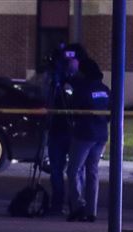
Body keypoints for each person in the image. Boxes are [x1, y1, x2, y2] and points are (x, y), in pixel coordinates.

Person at [65, 58, 110, 222]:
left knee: (73, 170)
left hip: (84, 135)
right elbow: (111, 113)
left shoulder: (83, 89)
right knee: (92, 172)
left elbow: (74, 109)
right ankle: (92, 211)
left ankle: (78, 206)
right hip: (101, 136)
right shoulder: (105, 90)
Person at [44, 44, 84, 215]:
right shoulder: (55, 81)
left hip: (74, 132)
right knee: (56, 169)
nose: (69, 63)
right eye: (66, 60)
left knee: (76, 170)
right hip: (56, 130)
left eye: (72, 60)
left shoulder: (80, 83)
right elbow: (48, 98)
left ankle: (76, 204)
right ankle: (57, 203)